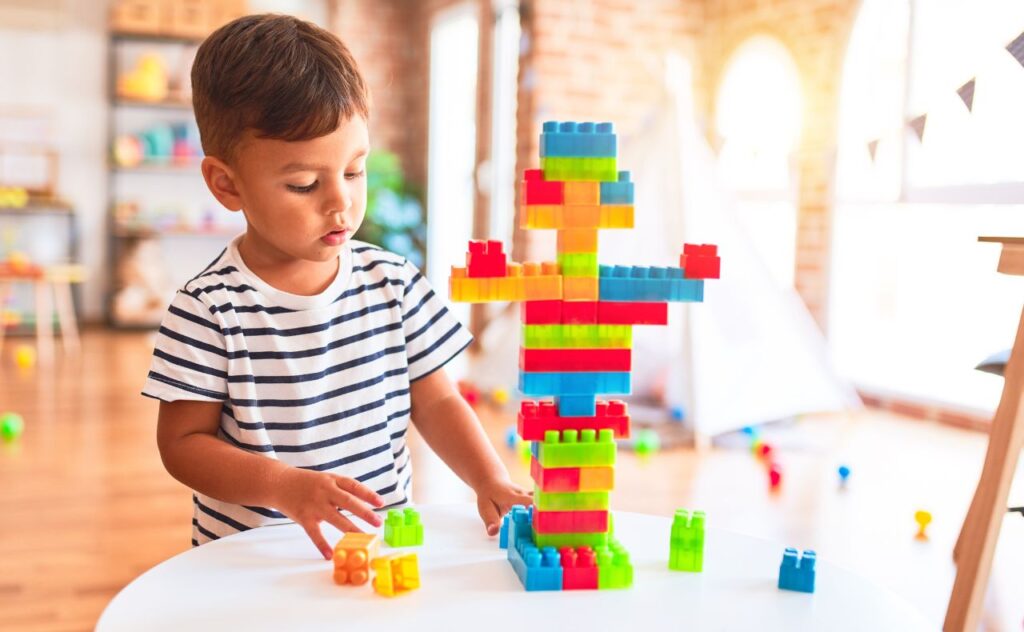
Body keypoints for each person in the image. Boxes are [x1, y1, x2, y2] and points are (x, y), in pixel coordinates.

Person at [143, 13, 530, 560]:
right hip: (252, 559)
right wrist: (283, 485)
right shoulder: (208, 309)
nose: (340, 202)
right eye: (304, 184)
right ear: (226, 184)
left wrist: (489, 478)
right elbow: (182, 446)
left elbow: (438, 399)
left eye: (354, 171)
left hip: (375, 546)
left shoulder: (392, 283)